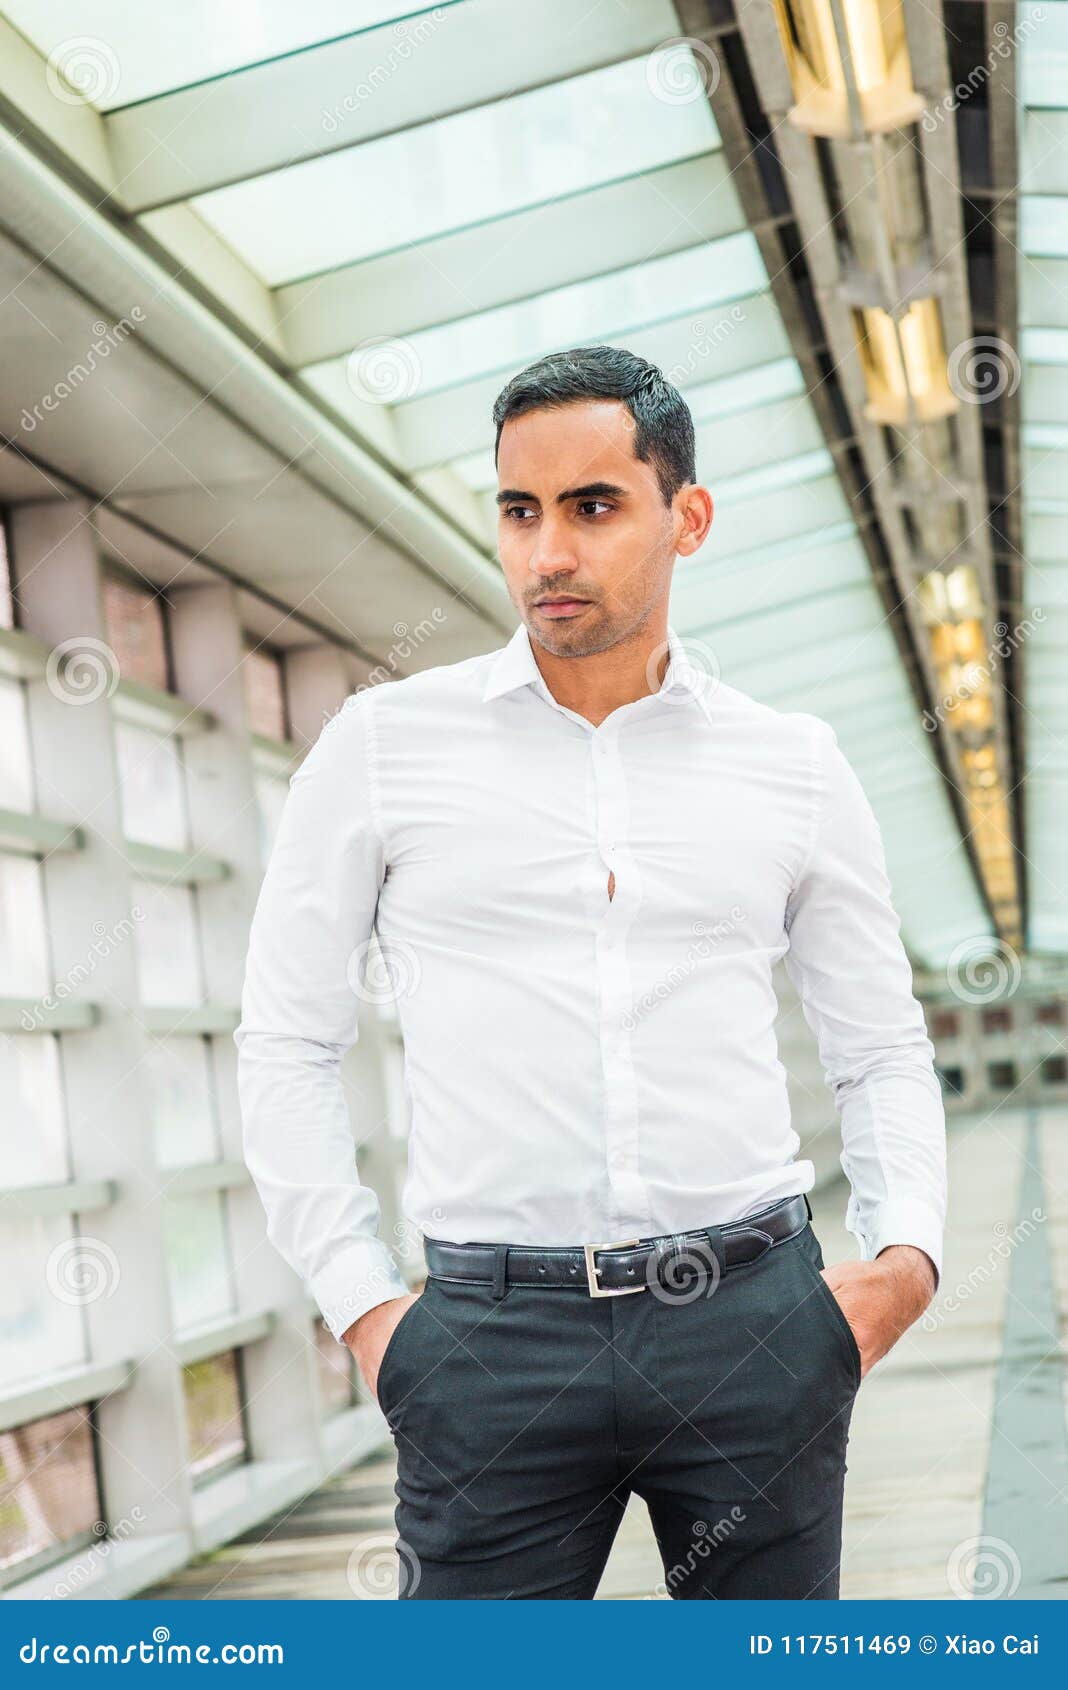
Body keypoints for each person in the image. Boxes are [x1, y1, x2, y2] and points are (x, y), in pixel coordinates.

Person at [235, 344, 944, 1600]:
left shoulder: (793, 762)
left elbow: (879, 1042)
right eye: (519, 510)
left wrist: (903, 1263)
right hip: (487, 1345)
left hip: (755, 1327)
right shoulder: (385, 748)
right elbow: (287, 1039)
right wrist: (365, 1309)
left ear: (689, 515)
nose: (545, 553)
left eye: (592, 506)